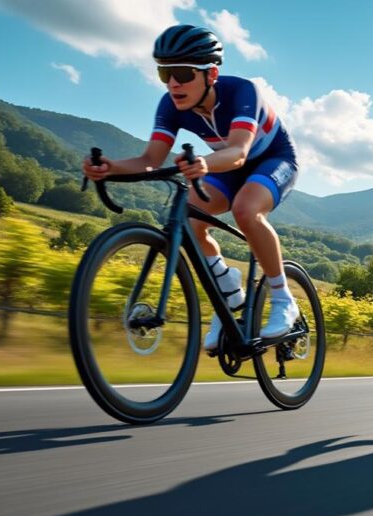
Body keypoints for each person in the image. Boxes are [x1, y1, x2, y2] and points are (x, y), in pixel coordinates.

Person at [82, 24, 300, 349]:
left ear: (211, 74)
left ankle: (283, 298)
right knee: (190, 217)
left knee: (245, 208)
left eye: (182, 73)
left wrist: (203, 163)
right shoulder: (170, 105)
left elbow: (240, 153)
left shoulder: (242, 92)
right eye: (164, 73)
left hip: (272, 159)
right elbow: (150, 160)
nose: (172, 83)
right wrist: (109, 168)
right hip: (225, 165)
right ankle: (227, 287)